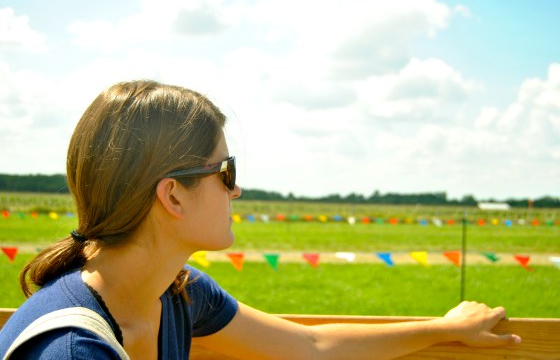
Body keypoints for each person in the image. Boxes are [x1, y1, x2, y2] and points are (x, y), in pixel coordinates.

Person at [0, 80, 521, 359]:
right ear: (173, 196)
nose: (238, 188)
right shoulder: (72, 351)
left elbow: (310, 347)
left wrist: (445, 329)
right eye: (226, 171)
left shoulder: (177, 293)